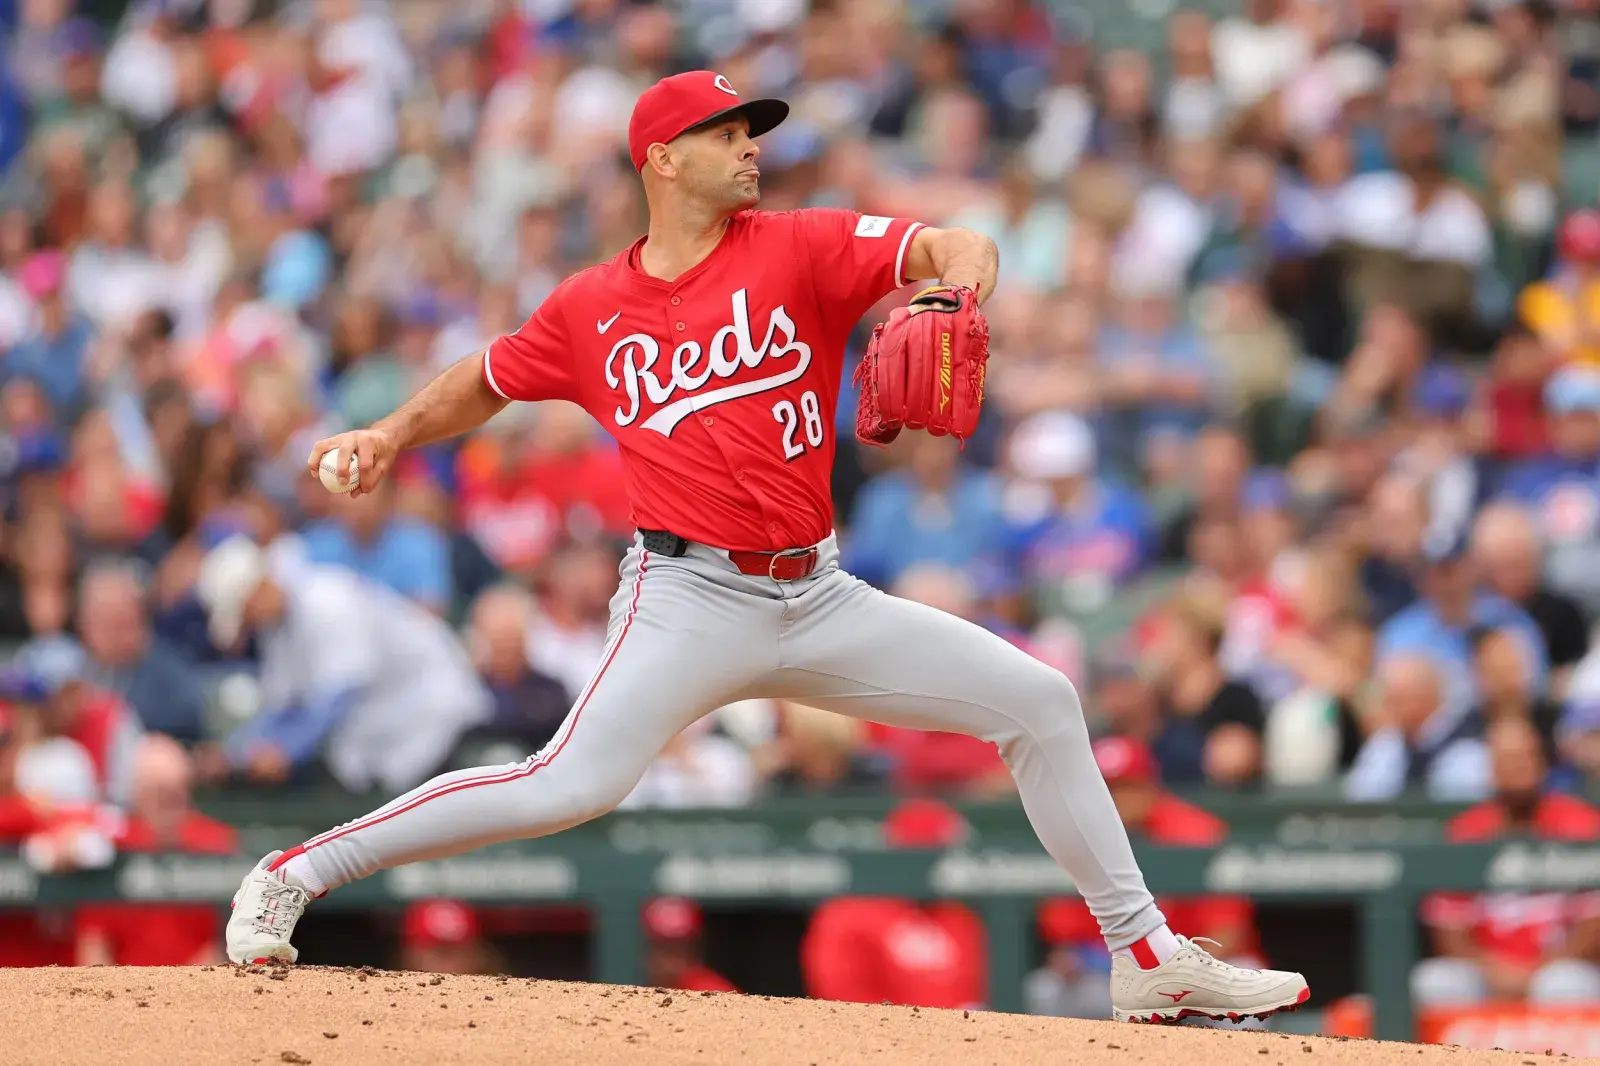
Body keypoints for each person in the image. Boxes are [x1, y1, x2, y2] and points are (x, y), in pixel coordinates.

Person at [221, 70, 1307, 1024]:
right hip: (684, 599)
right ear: (661, 158)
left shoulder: (802, 245)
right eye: (726, 131)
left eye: (754, 129)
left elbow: (953, 239)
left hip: (819, 594)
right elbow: (487, 378)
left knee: (1040, 701)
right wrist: (389, 432)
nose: (751, 145)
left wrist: (949, 288)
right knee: (566, 782)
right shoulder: (593, 305)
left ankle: (1147, 954)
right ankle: (296, 870)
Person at [194, 535, 492, 793]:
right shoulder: (278, 630)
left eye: (245, 610)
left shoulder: (329, 600)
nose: (248, 623)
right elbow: (284, 706)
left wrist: (284, 751)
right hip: (387, 728)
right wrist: (233, 752)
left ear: (259, 588)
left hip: (437, 714)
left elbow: (339, 696)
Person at [1412, 718, 1600, 1009]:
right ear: (1491, 769)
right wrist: (1496, 972)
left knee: (1564, 985)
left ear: (1543, 763)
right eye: (1508, 760)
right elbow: (1450, 932)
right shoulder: (1465, 831)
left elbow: (1593, 927)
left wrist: (1536, 971)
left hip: (1561, 966)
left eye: (1527, 756)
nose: (1519, 768)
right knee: (1435, 981)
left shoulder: (1583, 824)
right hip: (1486, 970)